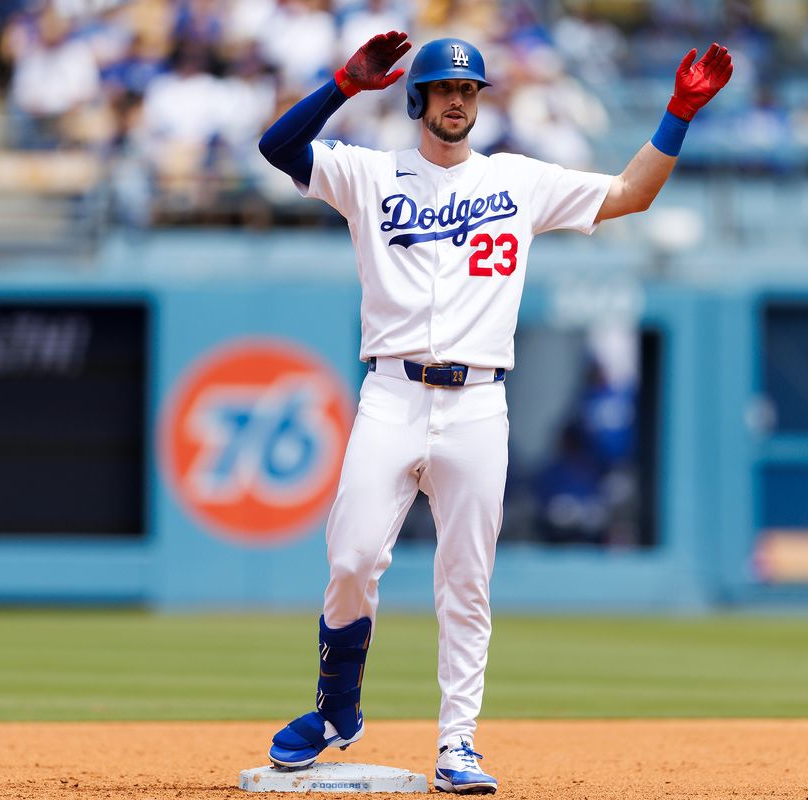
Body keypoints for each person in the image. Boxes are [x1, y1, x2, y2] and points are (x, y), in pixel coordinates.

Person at [257, 31, 731, 794]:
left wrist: (678, 112)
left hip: (478, 401)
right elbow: (278, 146)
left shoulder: (516, 180)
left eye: (469, 90)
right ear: (418, 98)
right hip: (392, 391)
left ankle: (458, 745)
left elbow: (631, 194)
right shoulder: (370, 174)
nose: (457, 101)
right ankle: (336, 713)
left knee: (467, 582)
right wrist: (345, 82)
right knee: (350, 560)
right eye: (445, 88)